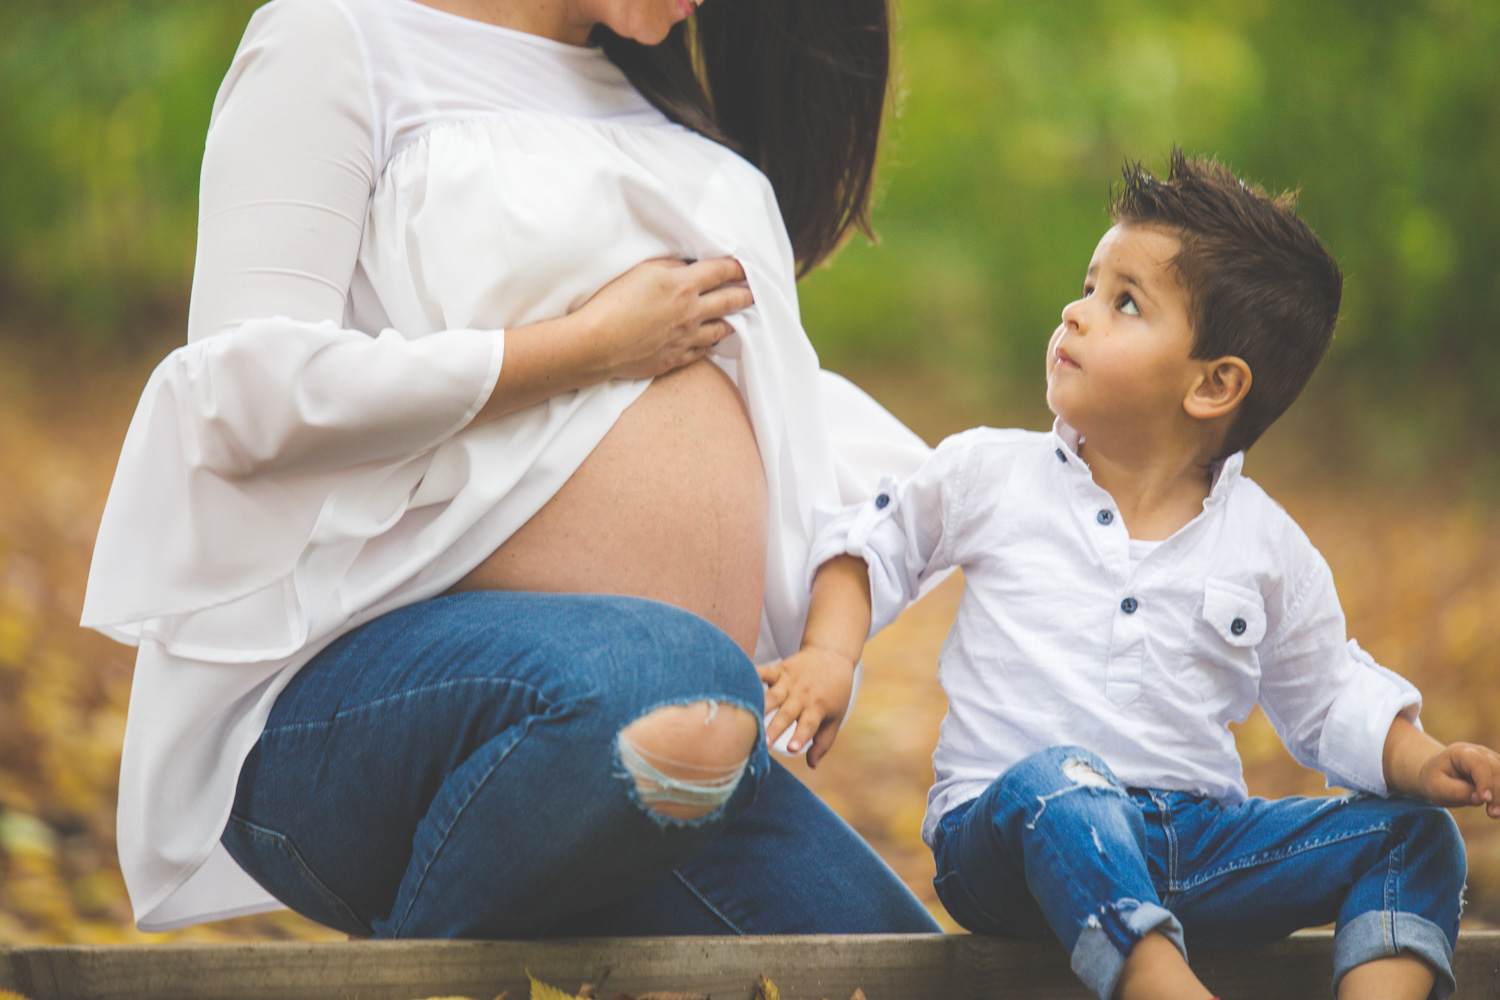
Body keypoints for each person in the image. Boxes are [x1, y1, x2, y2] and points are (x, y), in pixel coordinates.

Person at [81, 0, 944, 937]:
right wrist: (579, 348)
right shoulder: (337, 43)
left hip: (678, 740)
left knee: (897, 963)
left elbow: (797, 415)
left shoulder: (661, 106)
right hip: (355, 704)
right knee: (674, 679)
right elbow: (246, 398)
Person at [760, 151, 1498, 1000]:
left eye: (1124, 302)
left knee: (1416, 838)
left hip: (1196, 849)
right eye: (1086, 284)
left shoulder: (1263, 545)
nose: (1075, 314)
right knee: (1061, 781)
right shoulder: (989, 473)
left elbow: (1329, 696)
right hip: (1011, 835)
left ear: (1215, 385)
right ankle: (1159, 985)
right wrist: (828, 656)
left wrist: (1423, 759)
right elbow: (869, 542)